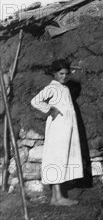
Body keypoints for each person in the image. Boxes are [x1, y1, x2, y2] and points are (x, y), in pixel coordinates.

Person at [30, 59, 83, 206]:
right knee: (57, 159)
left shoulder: (63, 87)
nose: (64, 77)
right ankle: (58, 198)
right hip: (58, 130)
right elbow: (35, 101)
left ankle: (56, 197)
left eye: (66, 74)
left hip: (66, 129)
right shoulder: (52, 87)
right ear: (54, 73)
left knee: (61, 159)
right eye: (61, 74)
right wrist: (50, 109)